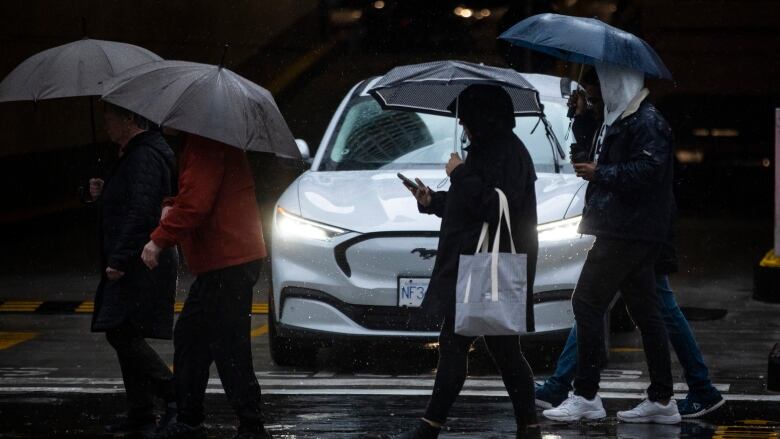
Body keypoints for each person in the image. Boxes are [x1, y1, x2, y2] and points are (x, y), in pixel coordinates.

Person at [537, 72, 724, 419]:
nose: (595, 97)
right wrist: (580, 118)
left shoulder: (646, 121)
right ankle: (662, 399)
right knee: (647, 312)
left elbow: (647, 172)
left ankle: (587, 395)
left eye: (597, 91)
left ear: (616, 85)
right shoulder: (617, 120)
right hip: (625, 227)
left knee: (588, 302)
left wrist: (601, 173)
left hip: (629, 229)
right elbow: (587, 157)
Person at [367, 84, 541, 439]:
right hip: (478, 263)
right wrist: (431, 200)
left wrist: (459, 173)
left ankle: (430, 426)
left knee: (458, 343)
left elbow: (493, 207)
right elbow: (470, 205)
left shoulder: (510, 154)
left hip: (487, 264)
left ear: (483, 117)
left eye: (467, 119)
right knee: (501, 349)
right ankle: (528, 426)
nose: (463, 126)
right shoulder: (486, 150)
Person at [141, 133, 270, 439]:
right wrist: (171, 204)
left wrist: (159, 239)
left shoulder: (205, 144)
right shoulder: (209, 141)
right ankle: (190, 420)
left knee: (228, 347)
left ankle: (250, 426)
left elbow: (197, 204)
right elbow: (197, 195)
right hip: (224, 260)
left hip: (227, 260)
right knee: (192, 339)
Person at [90, 103, 178, 437]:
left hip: (138, 260)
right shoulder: (135, 153)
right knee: (124, 329)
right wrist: (98, 193)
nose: (105, 124)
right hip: (135, 257)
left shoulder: (144, 156)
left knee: (120, 331)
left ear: (129, 118)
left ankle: (172, 393)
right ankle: (141, 413)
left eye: (110, 117)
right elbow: (127, 201)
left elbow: (141, 212)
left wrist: (120, 258)